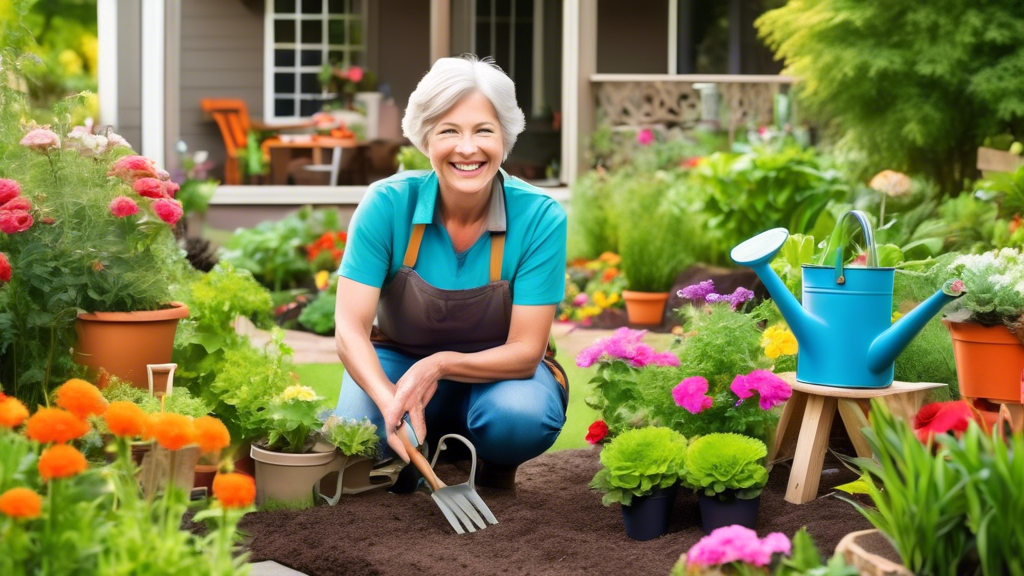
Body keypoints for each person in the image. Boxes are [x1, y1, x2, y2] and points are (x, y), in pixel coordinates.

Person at [333, 55, 568, 489]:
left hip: (501, 371)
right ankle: (432, 439)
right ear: (425, 139)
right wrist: (391, 401)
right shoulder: (387, 204)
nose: (467, 148)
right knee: (358, 430)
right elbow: (349, 328)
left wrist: (439, 365)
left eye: (483, 130)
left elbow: (526, 349)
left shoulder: (539, 216)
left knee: (519, 420)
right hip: (399, 358)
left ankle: (484, 450)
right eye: (448, 131)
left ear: (505, 137)